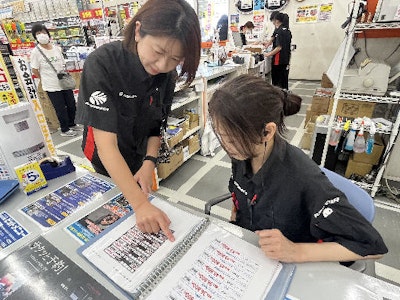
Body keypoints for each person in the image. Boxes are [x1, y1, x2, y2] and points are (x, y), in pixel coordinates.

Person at [208, 74, 388, 263]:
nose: (225, 145)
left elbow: (372, 246)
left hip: (287, 264)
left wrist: (296, 251)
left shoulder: (303, 178)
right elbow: (239, 197)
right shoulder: (242, 154)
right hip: (252, 251)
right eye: (222, 136)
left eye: (231, 138)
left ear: (267, 132)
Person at [76, 0, 201, 242]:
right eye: (159, 52)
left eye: (175, 58)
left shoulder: (167, 75)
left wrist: (149, 163)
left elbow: (157, 124)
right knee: (117, 211)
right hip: (105, 155)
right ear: (138, 31)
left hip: (140, 152)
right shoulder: (103, 63)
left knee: (139, 207)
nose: (163, 65)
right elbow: (106, 146)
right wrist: (140, 205)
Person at [30, 24, 79, 137]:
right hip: (51, 85)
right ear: (35, 37)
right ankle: (65, 129)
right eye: (38, 33)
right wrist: (44, 78)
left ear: (47, 33)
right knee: (60, 108)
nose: (41, 35)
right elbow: (35, 69)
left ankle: (72, 123)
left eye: (43, 32)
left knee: (71, 104)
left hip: (64, 82)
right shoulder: (36, 52)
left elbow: (62, 63)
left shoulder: (56, 48)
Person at [264, 12, 292, 90]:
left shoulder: (280, 31)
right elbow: (273, 37)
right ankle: (284, 97)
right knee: (284, 81)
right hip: (285, 59)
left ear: (276, 20)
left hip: (278, 61)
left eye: (273, 21)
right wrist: (267, 44)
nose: (273, 23)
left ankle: (278, 98)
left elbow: (279, 47)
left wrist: (268, 54)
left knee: (277, 83)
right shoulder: (285, 29)